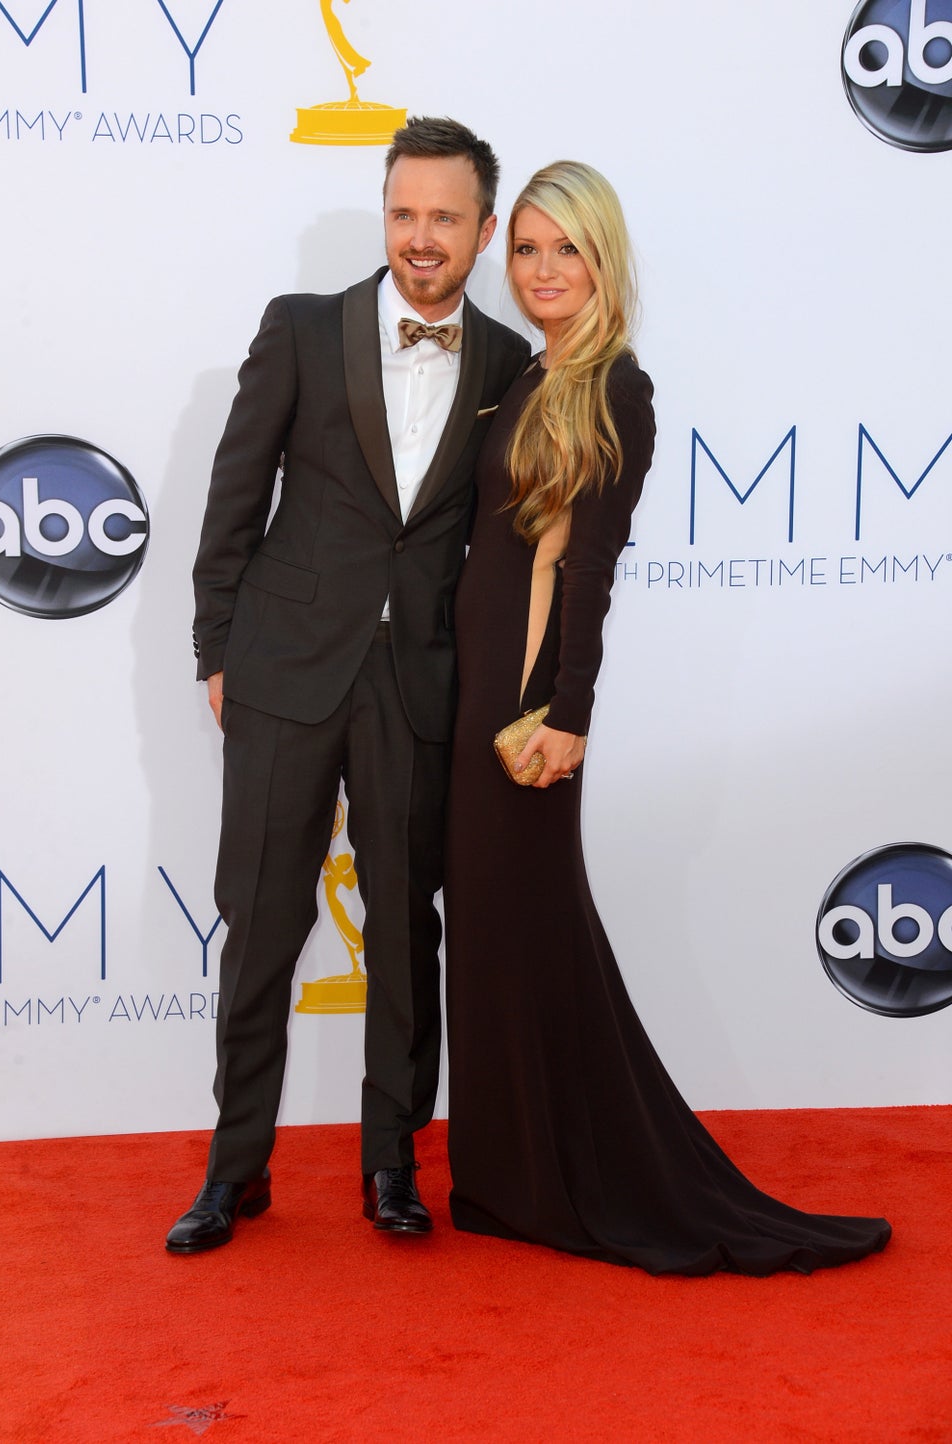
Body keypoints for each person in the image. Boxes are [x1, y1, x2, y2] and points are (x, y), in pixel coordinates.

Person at [444, 161, 891, 1274]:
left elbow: (589, 567)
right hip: (473, 690)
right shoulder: (524, 379)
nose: (544, 269)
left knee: (532, 935)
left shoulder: (615, 388)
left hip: (527, 707)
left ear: (605, 262)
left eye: (568, 250)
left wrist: (566, 715)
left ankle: (569, 1183)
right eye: (530, 248)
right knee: (502, 940)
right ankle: (505, 1179)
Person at [166, 117, 530, 1254]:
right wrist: (216, 651)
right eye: (403, 213)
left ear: (481, 230)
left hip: (417, 685)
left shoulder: (508, 365)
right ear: (387, 215)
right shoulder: (305, 331)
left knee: (405, 933)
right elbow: (232, 499)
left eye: (445, 219)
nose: (421, 239)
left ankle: (390, 1165)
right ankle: (235, 1171)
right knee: (262, 920)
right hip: (281, 670)